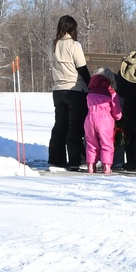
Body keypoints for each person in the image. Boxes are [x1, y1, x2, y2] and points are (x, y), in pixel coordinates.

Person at [48, 15, 90, 170]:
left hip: (58, 90)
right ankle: (75, 160)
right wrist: (90, 83)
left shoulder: (52, 44)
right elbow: (82, 67)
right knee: (75, 126)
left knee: (60, 125)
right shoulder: (74, 45)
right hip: (74, 89)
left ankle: (56, 158)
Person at [84, 68, 122, 173]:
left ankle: (91, 165)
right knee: (107, 143)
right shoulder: (111, 93)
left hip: (90, 119)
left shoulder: (91, 93)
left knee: (91, 143)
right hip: (105, 120)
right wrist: (118, 117)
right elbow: (117, 112)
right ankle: (107, 166)